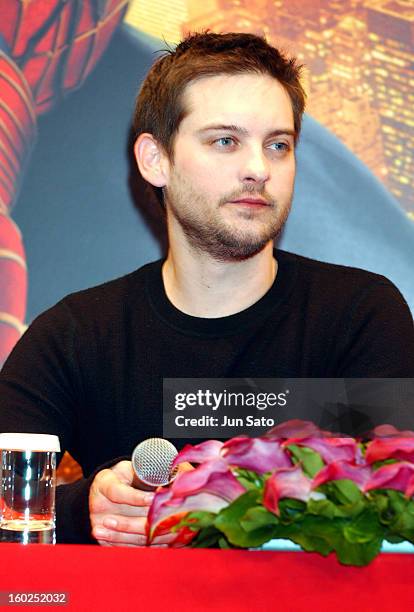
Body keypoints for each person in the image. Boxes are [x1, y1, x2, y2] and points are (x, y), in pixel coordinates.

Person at [0, 32, 413, 545]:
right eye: (225, 141)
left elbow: (399, 500)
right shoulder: (77, 334)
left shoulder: (360, 315)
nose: (258, 169)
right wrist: (84, 507)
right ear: (156, 160)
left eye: (278, 146)